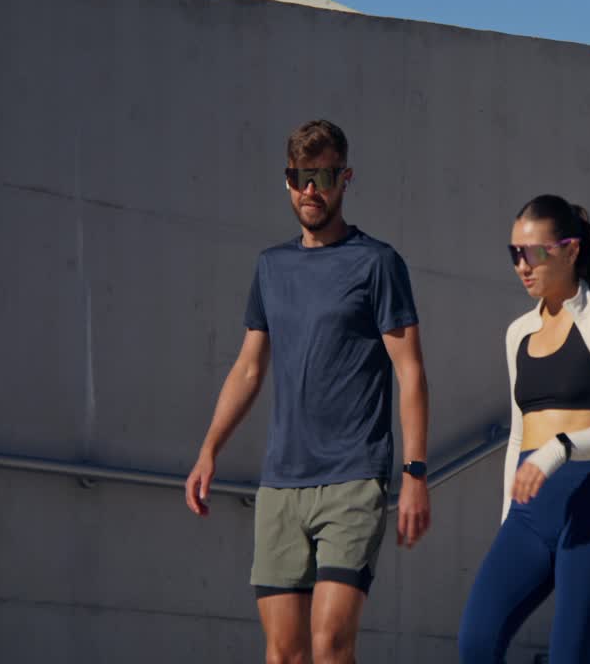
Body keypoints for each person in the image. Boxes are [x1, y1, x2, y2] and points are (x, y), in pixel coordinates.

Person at [184, 120, 432, 664]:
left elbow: (409, 370)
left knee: (330, 645)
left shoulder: (377, 263)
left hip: (353, 476)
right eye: (300, 177)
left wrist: (414, 474)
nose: (310, 190)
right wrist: (208, 450)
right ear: (288, 181)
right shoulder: (271, 267)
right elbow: (249, 368)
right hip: (281, 484)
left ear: (344, 178)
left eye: (322, 176)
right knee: (283, 652)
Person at [458, 195, 590, 663]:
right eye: (515, 253)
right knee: (476, 644)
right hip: (529, 512)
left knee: (570, 657)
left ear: (569, 249)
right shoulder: (517, 333)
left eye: (534, 253)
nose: (522, 266)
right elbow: (520, 436)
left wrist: (559, 450)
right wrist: (508, 516)